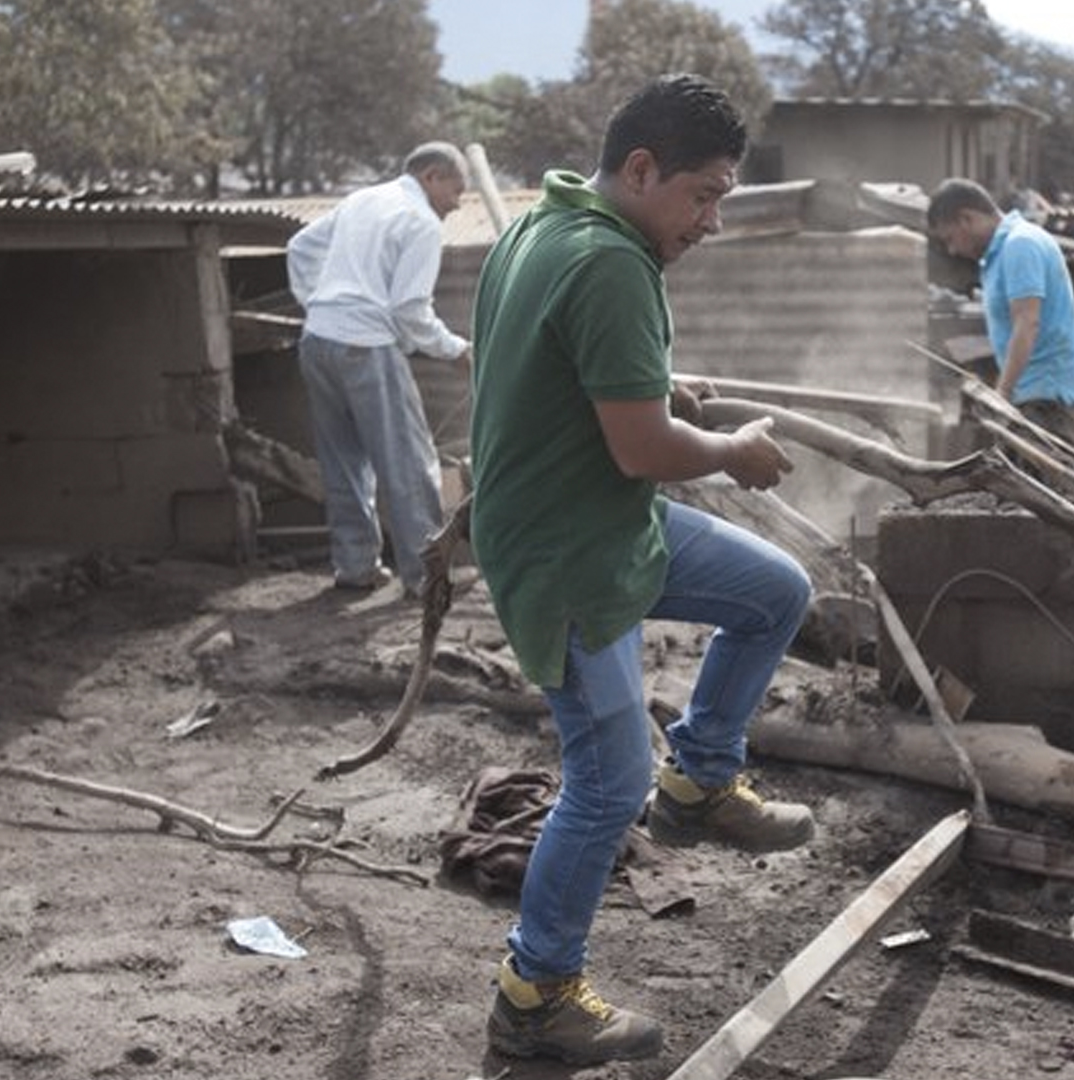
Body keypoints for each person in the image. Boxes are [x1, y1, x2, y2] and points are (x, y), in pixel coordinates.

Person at [469, 74, 816, 1066]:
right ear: (638, 169)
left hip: (602, 527)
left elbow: (548, 361)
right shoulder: (615, 265)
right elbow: (641, 452)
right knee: (607, 783)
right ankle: (536, 995)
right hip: (571, 553)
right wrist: (731, 450)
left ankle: (702, 778)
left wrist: (656, 384)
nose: (710, 220)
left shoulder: (543, 227)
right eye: (702, 195)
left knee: (776, 592)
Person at [286, 142, 473, 595]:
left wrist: (321, 303)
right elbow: (409, 309)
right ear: (431, 176)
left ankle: (354, 567)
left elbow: (300, 247)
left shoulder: (363, 199)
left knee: (343, 461)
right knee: (408, 462)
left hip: (317, 342)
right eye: (455, 189)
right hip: (365, 345)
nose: (457, 202)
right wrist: (455, 350)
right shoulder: (422, 222)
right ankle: (427, 577)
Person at [926, 178, 1074, 444]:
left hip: (1047, 399)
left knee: (1034, 484)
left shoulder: (1020, 245)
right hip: (1033, 395)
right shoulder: (1001, 252)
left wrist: (1000, 395)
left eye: (950, 238)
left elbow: (1027, 323)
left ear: (966, 219)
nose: (952, 249)